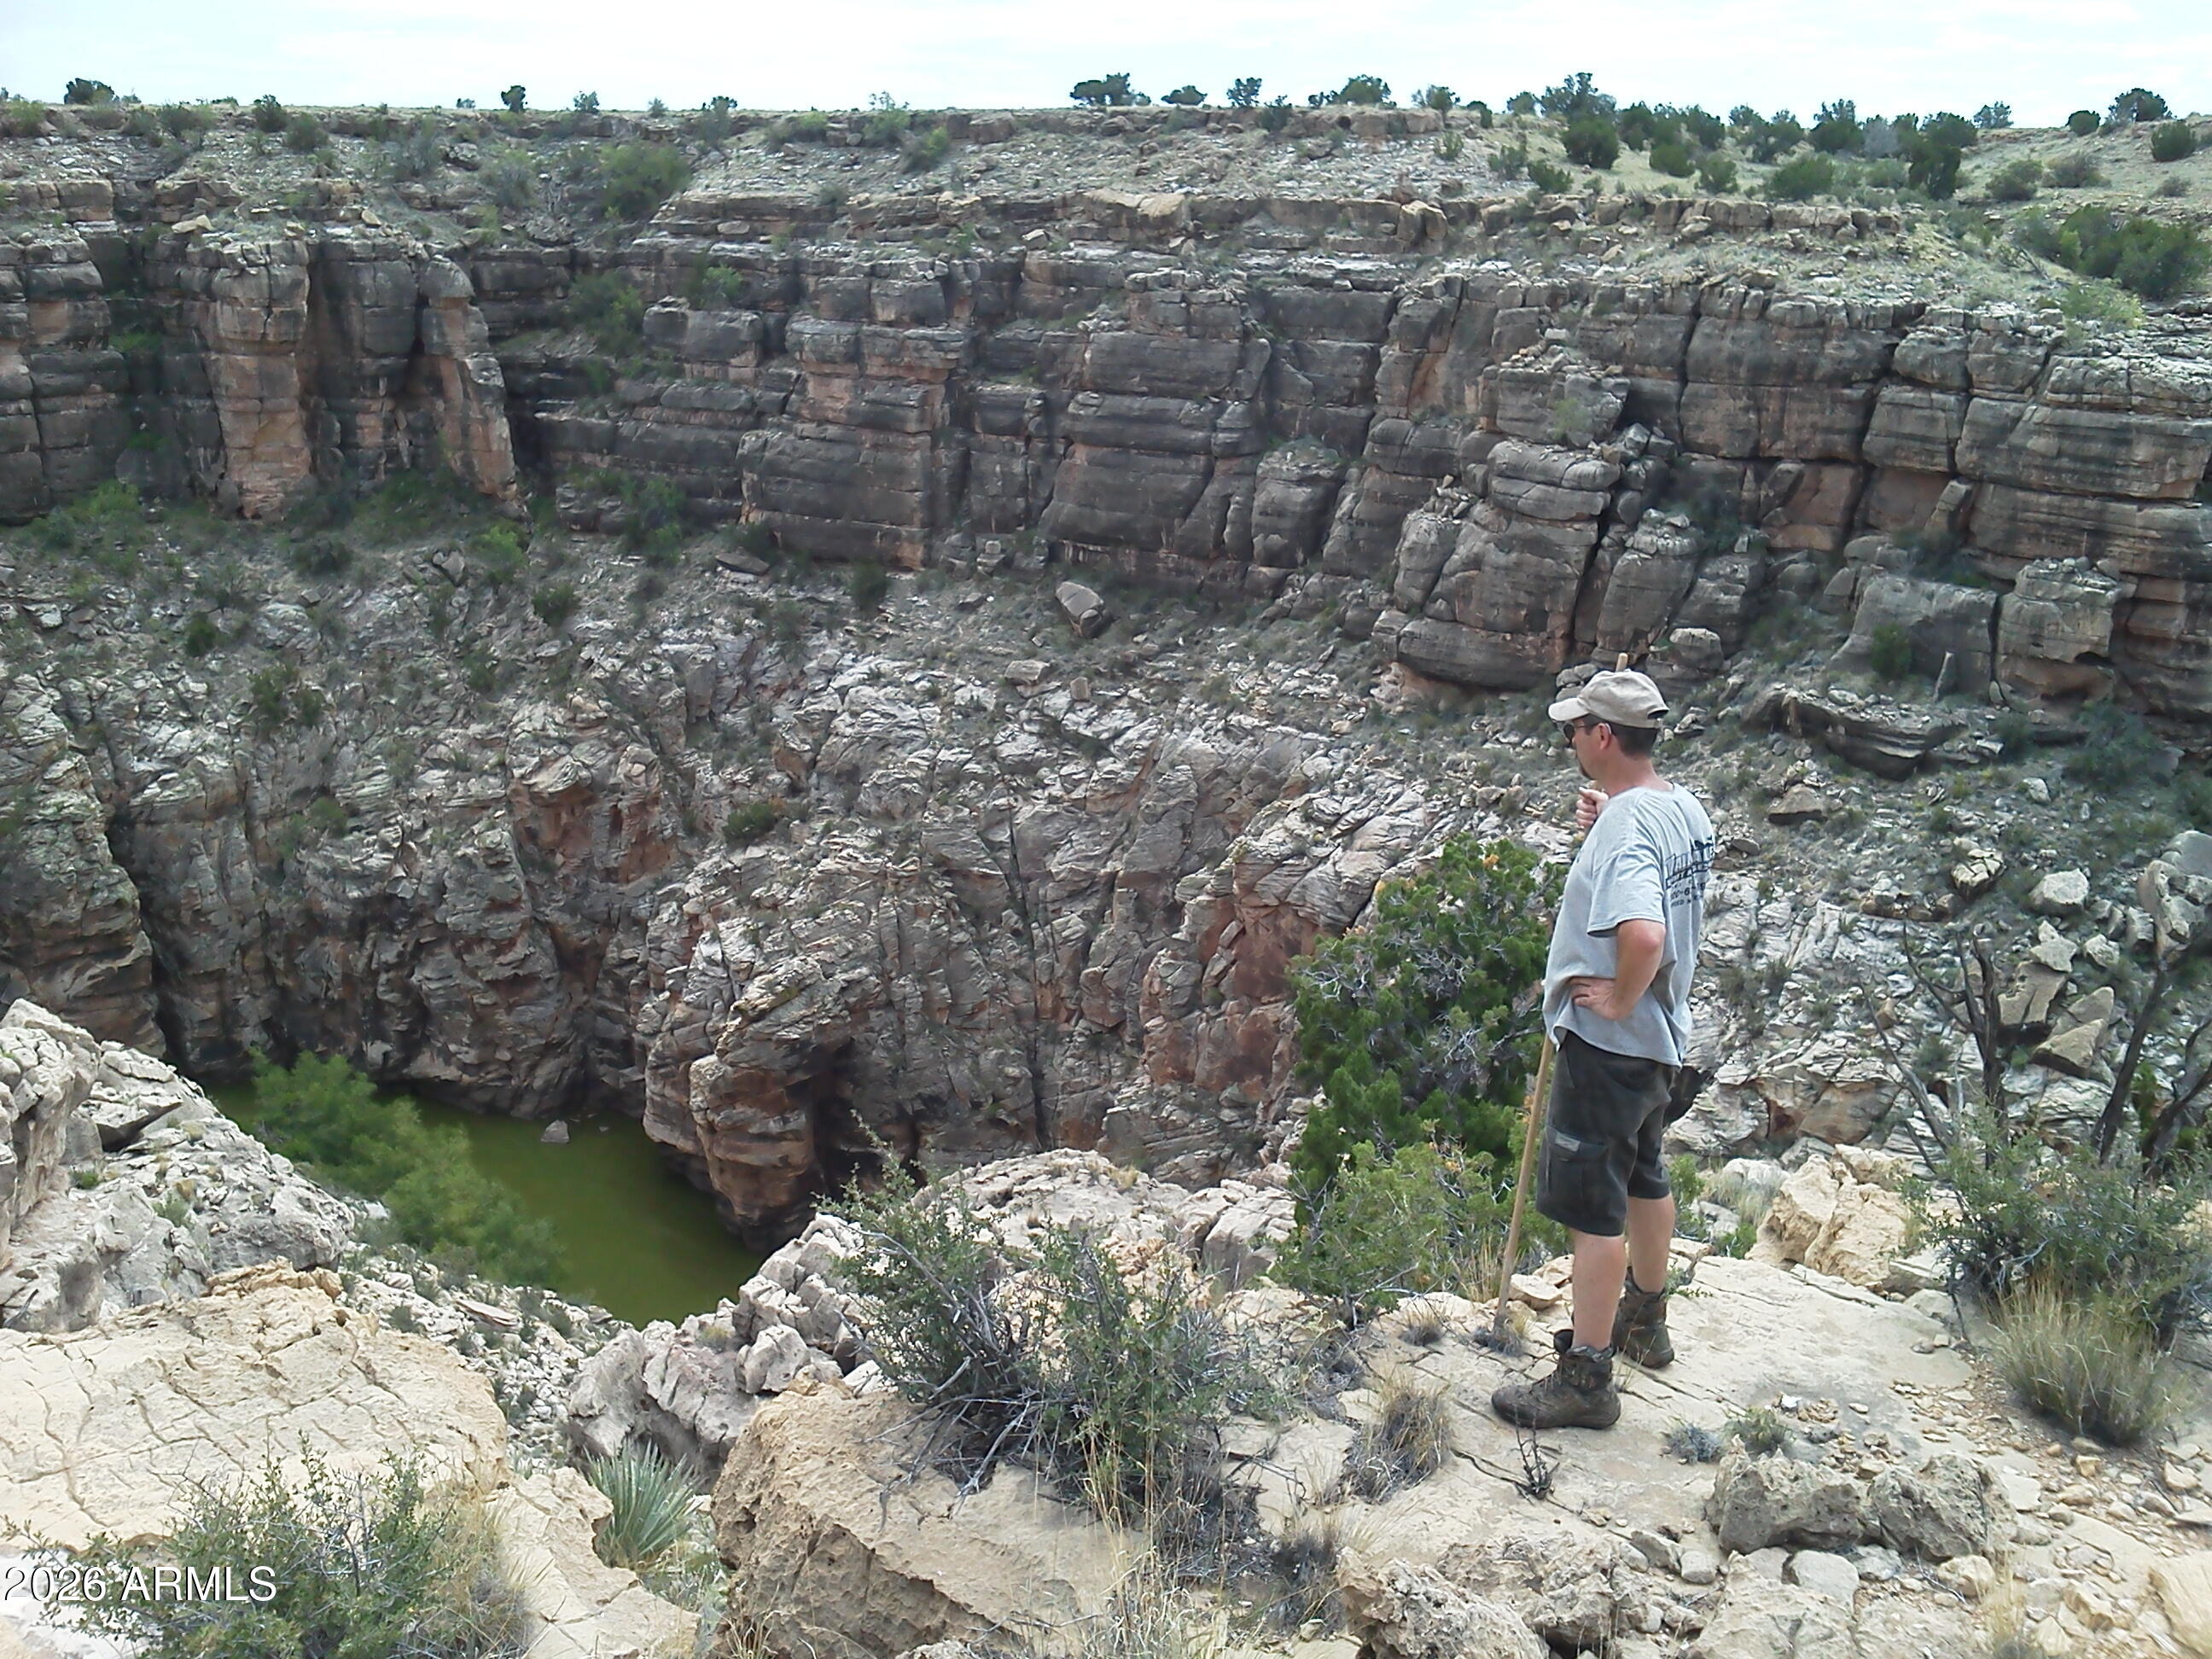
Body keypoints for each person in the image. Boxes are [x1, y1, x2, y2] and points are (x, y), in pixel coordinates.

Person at [1492, 667, 1714, 1431]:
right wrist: (1605, 823)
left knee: (1594, 1209)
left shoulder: (1627, 826)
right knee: (1646, 1174)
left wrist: (1617, 998)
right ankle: (1645, 1323)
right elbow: (1656, 888)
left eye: (1576, 730)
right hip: (1662, 1042)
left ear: (1605, 736)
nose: (1571, 741)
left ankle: (1586, 1376)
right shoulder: (1679, 807)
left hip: (1613, 1044)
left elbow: (1644, 933)